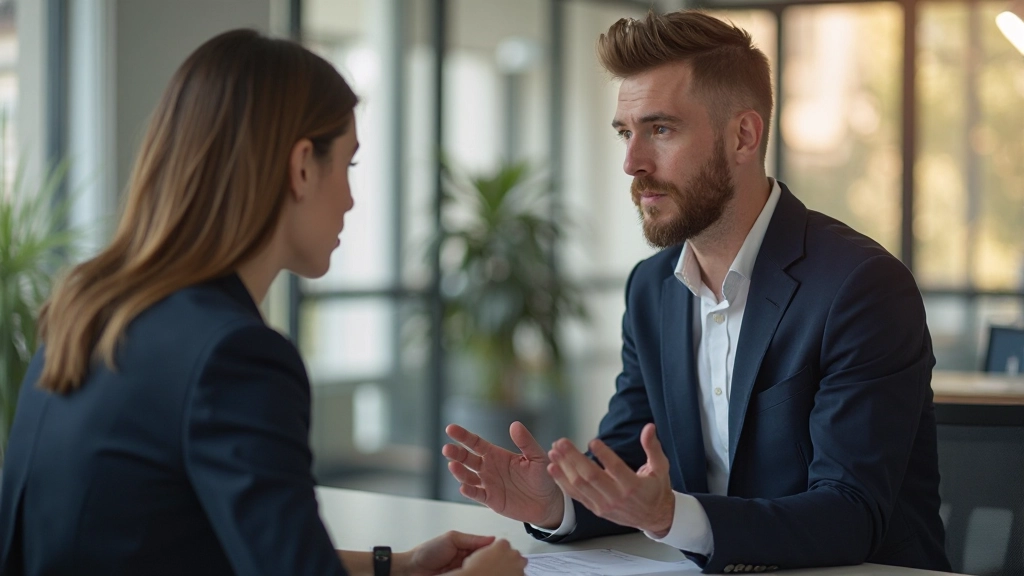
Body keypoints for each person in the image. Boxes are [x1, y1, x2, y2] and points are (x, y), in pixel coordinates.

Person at [0, 29, 527, 576]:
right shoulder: (234, 356)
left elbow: (221, 552)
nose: (350, 199)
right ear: (301, 166)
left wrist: (397, 566)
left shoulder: (88, 311)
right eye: (347, 166)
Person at [443, 10, 951, 574]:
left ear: (743, 135)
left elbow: (851, 513)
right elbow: (634, 461)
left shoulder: (860, 287)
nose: (633, 164)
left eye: (660, 129)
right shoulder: (651, 288)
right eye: (624, 133)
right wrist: (556, 502)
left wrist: (671, 519)